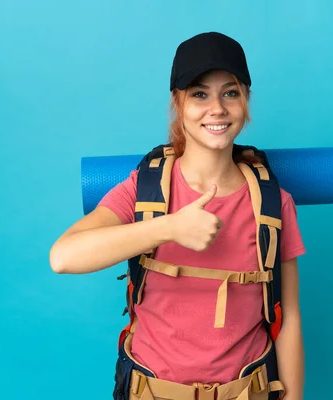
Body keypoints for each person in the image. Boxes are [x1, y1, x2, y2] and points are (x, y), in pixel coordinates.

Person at [50, 32, 306, 400]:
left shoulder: (273, 203)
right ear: (178, 103)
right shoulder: (146, 191)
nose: (216, 108)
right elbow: (63, 257)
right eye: (199, 94)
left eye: (230, 92)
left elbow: (290, 317)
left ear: (245, 100)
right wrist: (168, 227)